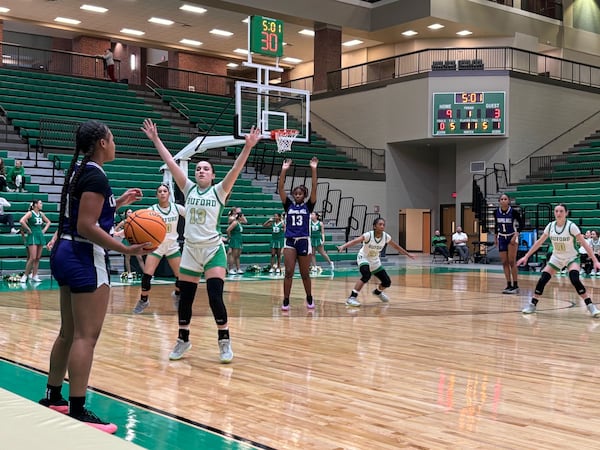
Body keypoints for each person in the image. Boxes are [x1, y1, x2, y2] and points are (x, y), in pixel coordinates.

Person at [37, 120, 148, 433]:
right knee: (87, 336)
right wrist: (126, 251)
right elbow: (88, 225)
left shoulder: (79, 169)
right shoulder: (96, 174)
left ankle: (54, 396)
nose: (114, 143)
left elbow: (84, 214)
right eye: (112, 138)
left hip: (65, 253)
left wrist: (119, 202)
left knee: (68, 332)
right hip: (84, 255)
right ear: (102, 142)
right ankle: (78, 409)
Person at [142, 118, 261, 362]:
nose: (201, 171)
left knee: (215, 295)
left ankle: (224, 341)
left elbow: (236, 169)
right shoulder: (187, 189)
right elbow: (170, 162)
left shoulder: (220, 191)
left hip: (212, 250)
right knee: (186, 298)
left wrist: (248, 146)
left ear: (213, 175)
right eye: (198, 168)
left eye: (206, 168)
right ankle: (183, 340)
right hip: (191, 251)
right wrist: (155, 139)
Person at [517, 203, 600, 317]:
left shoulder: (571, 226)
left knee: (575, 279)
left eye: (561, 211)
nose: (558, 213)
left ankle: (591, 306)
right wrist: (526, 256)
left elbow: (585, 244)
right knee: (543, 279)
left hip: (571, 258)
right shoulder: (550, 226)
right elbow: (539, 242)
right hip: (556, 257)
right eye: (556, 211)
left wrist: (595, 260)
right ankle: (532, 305)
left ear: (566, 213)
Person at [133, 183, 186, 314]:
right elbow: (138, 225)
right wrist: (120, 233)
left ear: (169, 194)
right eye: (160, 191)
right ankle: (144, 300)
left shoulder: (177, 208)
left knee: (181, 277)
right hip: (156, 246)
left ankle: (177, 295)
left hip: (172, 246)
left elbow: (192, 218)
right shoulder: (152, 210)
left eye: (165, 191)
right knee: (146, 276)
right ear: (157, 195)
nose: (162, 193)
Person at [338, 217, 415, 307]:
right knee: (366, 275)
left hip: (375, 260)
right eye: (380, 224)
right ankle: (351, 298)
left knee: (387, 282)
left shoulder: (386, 237)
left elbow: (396, 247)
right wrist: (343, 246)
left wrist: (408, 254)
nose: (382, 226)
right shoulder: (368, 235)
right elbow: (355, 241)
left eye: (383, 225)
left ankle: (377, 292)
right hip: (364, 258)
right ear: (375, 226)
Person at [278, 157, 318, 311]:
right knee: (288, 272)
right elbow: (281, 188)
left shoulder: (309, 206)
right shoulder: (288, 205)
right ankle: (286, 300)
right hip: (289, 240)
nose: (297, 195)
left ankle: (309, 297)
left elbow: (314, 188)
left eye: (300, 193)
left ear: (304, 195)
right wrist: (284, 169)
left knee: (304, 274)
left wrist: (313, 168)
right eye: (295, 193)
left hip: (303, 240)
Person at [494, 193, 523, 294]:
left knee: (512, 261)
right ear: (499, 201)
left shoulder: (514, 212)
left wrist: (516, 235)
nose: (503, 201)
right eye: (501, 199)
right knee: (504, 262)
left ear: (509, 201)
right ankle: (508, 284)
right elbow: (496, 224)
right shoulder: (496, 212)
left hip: (511, 237)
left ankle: (515, 285)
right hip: (501, 237)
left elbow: (521, 223)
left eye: (505, 199)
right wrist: (495, 237)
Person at [19, 199, 51, 282]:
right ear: (35, 205)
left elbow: (48, 222)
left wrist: (44, 230)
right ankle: (25, 275)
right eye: (40, 203)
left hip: (40, 235)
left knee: (38, 257)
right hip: (32, 235)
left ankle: (34, 275)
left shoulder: (41, 214)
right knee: (32, 257)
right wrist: (28, 229)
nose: (42, 205)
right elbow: (21, 221)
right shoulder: (30, 213)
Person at [114, 208, 145, 279]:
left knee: (139, 258)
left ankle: (146, 273)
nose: (130, 213)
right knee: (128, 258)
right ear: (125, 214)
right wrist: (121, 233)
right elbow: (115, 230)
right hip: (126, 241)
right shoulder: (123, 222)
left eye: (131, 212)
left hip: (134, 241)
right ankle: (129, 273)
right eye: (128, 212)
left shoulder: (135, 221)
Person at [226, 207, 246, 275]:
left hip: (239, 239)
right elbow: (228, 230)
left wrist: (242, 214)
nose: (242, 217)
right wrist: (229, 237)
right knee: (233, 255)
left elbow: (246, 221)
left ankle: (238, 269)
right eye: (241, 216)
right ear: (239, 217)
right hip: (234, 239)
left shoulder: (239, 222)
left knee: (237, 255)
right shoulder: (234, 222)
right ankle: (231, 269)